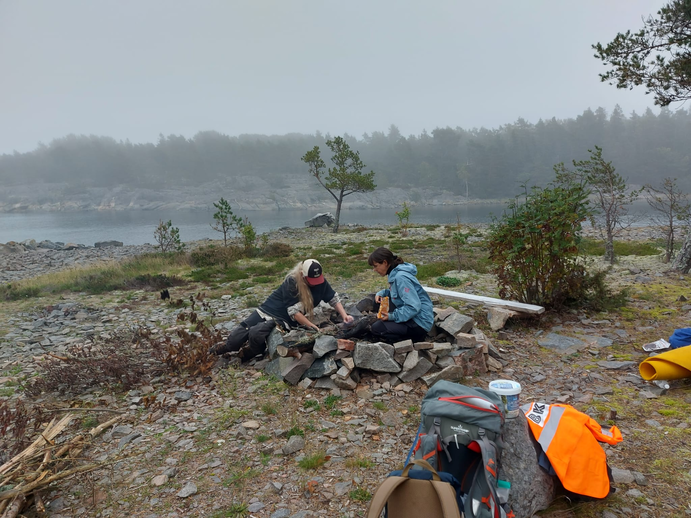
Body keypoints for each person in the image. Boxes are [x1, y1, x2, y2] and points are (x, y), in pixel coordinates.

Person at [212, 259, 353, 360]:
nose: (315, 283)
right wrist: (313, 327)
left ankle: (249, 354)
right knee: (235, 339)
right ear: (303, 275)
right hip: (266, 311)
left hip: (282, 319)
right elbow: (294, 312)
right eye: (311, 280)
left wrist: (344, 315)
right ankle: (216, 351)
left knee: (256, 333)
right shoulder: (292, 282)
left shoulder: (320, 281)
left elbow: (333, 298)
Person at [368, 247, 434, 343]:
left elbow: (413, 307)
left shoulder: (401, 277)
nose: (374, 270)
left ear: (385, 263)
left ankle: (411, 340)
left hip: (419, 323)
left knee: (377, 328)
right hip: (413, 317)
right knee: (377, 303)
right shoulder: (395, 273)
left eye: (376, 266)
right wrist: (382, 293)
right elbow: (397, 292)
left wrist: (392, 316)